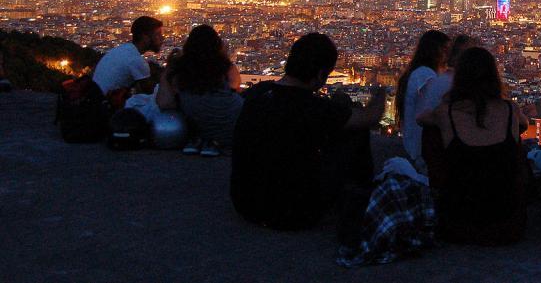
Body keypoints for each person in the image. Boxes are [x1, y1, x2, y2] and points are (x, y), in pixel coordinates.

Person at [231, 33, 385, 232]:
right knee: (356, 130)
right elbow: (370, 117)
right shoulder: (313, 108)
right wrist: (381, 92)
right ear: (320, 75)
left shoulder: (257, 93)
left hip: (245, 205)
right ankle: (361, 197)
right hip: (295, 213)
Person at [417, 46, 529, 244]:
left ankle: (438, 191)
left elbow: (421, 119)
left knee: (433, 132)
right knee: (514, 135)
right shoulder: (510, 109)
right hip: (507, 227)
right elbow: (524, 124)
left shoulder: (447, 112)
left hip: (457, 226)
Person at [155, 24, 243, 156]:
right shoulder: (224, 66)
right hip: (232, 128)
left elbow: (165, 103)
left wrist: (169, 68)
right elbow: (235, 85)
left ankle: (201, 140)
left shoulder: (180, 70)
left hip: (196, 126)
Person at [396, 30, 450, 168]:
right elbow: (433, 106)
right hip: (421, 152)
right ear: (434, 51)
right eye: (445, 49)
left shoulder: (418, 72)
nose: (448, 55)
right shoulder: (425, 75)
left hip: (416, 148)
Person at [92, 16, 163, 99]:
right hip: (105, 105)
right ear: (145, 37)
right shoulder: (136, 60)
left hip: (96, 97)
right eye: (157, 35)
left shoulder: (124, 49)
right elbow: (152, 94)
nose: (162, 38)